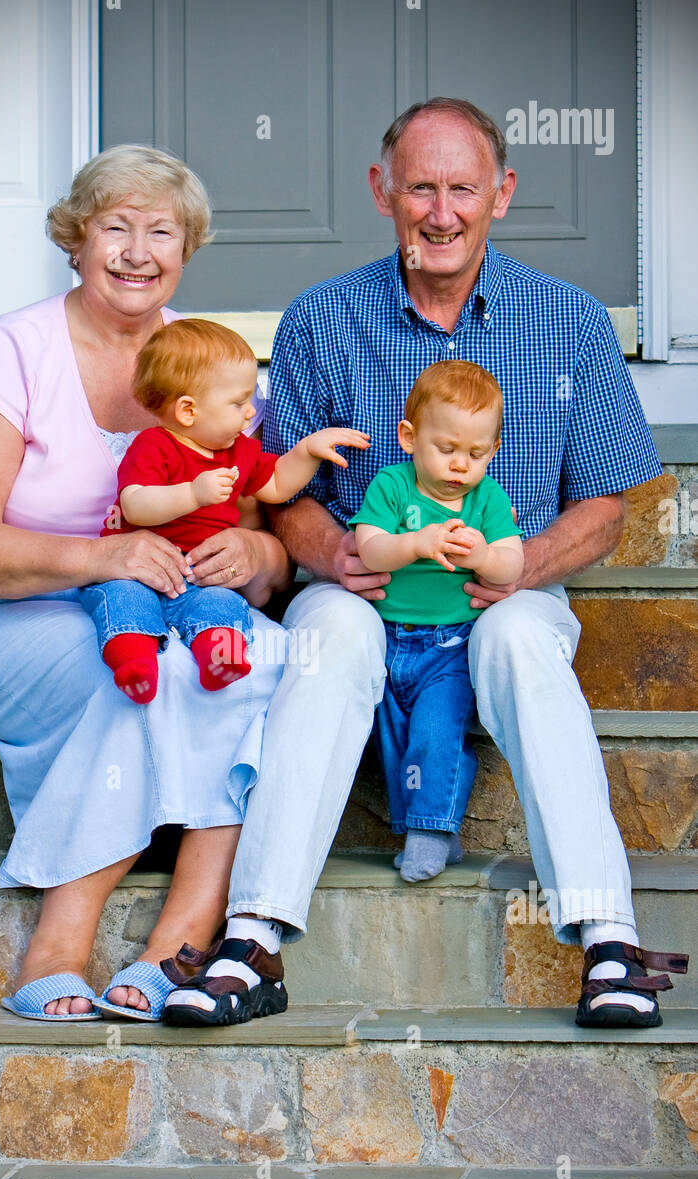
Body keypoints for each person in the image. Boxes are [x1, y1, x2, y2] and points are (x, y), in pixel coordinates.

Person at [163, 97, 688, 1031]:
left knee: (527, 641)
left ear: (502, 193)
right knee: (323, 637)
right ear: (382, 192)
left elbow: (606, 506)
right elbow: (277, 485)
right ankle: (253, 938)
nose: (440, 213)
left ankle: (608, 939)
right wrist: (324, 551)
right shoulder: (327, 319)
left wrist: (525, 567)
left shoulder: (567, 320)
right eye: (419, 188)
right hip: (366, 592)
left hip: (504, 591)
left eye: (461, 188)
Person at [0, 145, 292, 1024]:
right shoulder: (15, 348)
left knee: (265, 651)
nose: (137, 251)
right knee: (136, 666)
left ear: (187, 247)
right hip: (8, 617)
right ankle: (59, 942)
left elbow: (258, 523)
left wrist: (261, 561)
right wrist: (104, 559)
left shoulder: (209, 359)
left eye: (160, 231)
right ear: (76, 240)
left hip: (168, 609)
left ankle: (182, 940)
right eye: (114, 227)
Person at [80, 317, 367, 704]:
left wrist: (307, 451)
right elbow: (136, 504)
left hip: (199, 575)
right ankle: (134, 663)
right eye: (238, 402)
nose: (251, 413)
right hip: (138, 571)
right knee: (124, 601)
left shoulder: (238, 452)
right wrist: (193, 494)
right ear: (187, 411)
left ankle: (220, 658)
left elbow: (277, 484)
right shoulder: (154, 446)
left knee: (222, 604)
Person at [351, 359, 523, 882]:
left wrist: (483, 558)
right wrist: (417, 544)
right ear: (409, 437)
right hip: (388, 639)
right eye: (446, 449)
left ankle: (430, 832)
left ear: (491, 452)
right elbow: (370, 550)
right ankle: (423, 829)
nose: (459, 466)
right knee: (395, 739)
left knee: (436, 731)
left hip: (451, 645)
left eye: (475, 454)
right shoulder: (392, 487)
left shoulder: (486, 499)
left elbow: (513, 562)